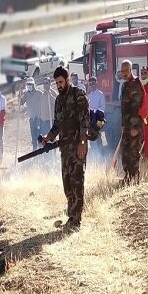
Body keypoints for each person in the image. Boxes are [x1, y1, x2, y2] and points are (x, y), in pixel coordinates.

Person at [40, 66, 89, 231]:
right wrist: (48, 138)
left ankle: (76, 220)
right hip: (64, 149)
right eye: (56, 83)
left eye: (61, 82)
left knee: (77, 183)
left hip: (77, 147)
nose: (59, 85)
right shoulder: (58, 100)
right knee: (67, 184)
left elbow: (85, 121)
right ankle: (71, 216)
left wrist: (82, 143)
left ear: (67, 80)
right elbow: (57, 125)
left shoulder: (78, 95)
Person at [120, 60, 148, 185]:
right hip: (127, 125)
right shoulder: (125, 85)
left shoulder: (135, 84)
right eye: (122, 71)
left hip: (134, 126)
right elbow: (125, 108)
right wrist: (123, 125)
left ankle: (135, 179)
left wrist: (135, 127)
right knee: (125, 152)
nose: (124, 73)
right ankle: (128, 176)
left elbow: (136, 108)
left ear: (131, 70)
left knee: (133, 152)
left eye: (126, 70)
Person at [20, 77, 42, 151]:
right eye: (28, 84)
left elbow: (42, 106)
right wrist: (19, 96)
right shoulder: (26, 94)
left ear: (33, 85)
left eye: (30, 84)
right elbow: (21, 102)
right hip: (31, 119)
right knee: (33, 138)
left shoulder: (39, 93)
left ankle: (41, 154)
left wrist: (39, 117)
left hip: (38, 119)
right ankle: (35, 154)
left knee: (39, 137)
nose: (29, 86)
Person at [87, 76, 106, 159]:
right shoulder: (89, 96)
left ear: (96, 84)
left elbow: (103, 107)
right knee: (92, 138)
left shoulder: (100, 94)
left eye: (93, 83)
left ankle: (103, 155)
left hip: (99, 120)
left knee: (100, 138)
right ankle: (95, 156)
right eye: (90, 84)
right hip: (91, 121)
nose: (92, 85)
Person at [39, 77, 57, 145]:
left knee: (52, 140)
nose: (45, 85)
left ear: (49, 84)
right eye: (44, 83)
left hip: (51, 121)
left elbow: (56, 104)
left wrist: (50, 95)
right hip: (44, 121)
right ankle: (46, 155)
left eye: (46, 83)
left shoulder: (53, 93)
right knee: (44, 140)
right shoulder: (42, 94)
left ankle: (53, 154)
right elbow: (40, 107)